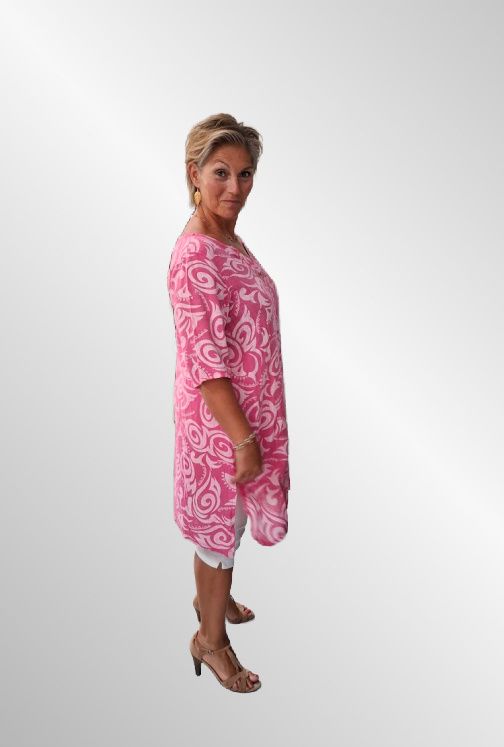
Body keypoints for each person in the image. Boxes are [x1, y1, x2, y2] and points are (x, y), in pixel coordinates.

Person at [167, 113, 290, 693]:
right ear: (194, 174)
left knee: (228, 529)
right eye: (220, 172)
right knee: (218, 534)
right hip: (222, 426)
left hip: (246, 417)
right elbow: (206, 365)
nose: (235, 187)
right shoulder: (196, 255)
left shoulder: (228, 238)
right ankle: (210, 639)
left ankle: (212, 598)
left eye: (245, 174)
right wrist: (243, 439)